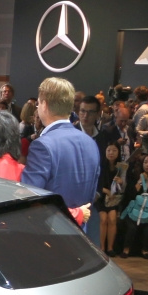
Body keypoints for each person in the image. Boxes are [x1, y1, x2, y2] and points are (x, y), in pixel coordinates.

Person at [21, 77, 100, 214]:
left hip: (49, 225)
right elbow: (91, 196)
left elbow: (28, 196)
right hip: (80, 224)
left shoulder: (42, 145)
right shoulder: (91, 143)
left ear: (44, 104)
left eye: (38, 103)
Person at [118, 154, 148, 259]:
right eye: (145, 162)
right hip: (134, 210)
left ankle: (145, 250)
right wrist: (140, 182)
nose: (147, 165)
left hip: (147, 212)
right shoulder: (135, 176)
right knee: (131, 228)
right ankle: (126, 249)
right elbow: (131, 195)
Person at [93, 142, 126, 254]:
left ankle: (110, 248)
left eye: (114, 150)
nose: (111, 153)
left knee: (112, 219)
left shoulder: (121, 167)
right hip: (100, 197)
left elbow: (125, 187)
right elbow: (95, 184)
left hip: (113, 198)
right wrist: (106, 191)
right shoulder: (100, 166)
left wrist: (121, 182)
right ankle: (102, 248)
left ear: (118, 152)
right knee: (103, 219)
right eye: (109, 150)